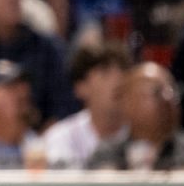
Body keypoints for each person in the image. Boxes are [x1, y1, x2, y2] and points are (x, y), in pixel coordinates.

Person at [86, 62, 184, 171]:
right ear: (127, 102)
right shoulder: (109, 152)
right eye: (156, 92)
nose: (168, 98)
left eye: (172, 90)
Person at [42, 41, 131, 169]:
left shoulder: (143, 134)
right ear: (81, 87)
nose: (118, 80)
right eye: (105, 73)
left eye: (123, 71)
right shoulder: (59, 140)